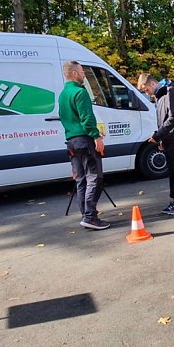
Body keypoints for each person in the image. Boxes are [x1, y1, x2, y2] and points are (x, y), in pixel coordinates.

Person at [59, 60, 109, 230]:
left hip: (71, 142)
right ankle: (90, 216)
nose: (84, 75)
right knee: (95, 178)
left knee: (81, 180)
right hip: (85, 140)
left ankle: (85, 215)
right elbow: (87, 118)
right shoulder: (80, 93)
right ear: (74, 73)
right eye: (81, 72)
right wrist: (97, 137)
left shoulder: (62, 94)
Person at [137, 73, 174, 215]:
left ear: (152, 84)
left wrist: (158, 135)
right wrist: (161, 139)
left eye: (146, 89)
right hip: (169, 139)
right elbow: (163, 119)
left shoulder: (169, 91)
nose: (147, 93)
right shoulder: (160, 95)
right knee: (173, 171)